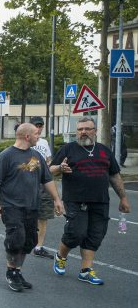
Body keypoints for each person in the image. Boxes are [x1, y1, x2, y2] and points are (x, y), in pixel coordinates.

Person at [50, 116, 130, 285]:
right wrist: (60, 168)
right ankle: (61, 256)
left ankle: (86, 270)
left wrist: (123, 198)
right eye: (80, 129)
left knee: (95, 235)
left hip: (100, 200)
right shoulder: (68, 149)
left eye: (87, 129)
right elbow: (51, 169)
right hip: (75, 200)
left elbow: (114, 175)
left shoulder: (104, 150)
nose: (83, 132)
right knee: (76, 233)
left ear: (95, 131)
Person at [0, 123, 63, 292]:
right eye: (36, 134)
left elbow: (47, 179)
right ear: (27, 136)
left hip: (32, 206)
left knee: (29, 241)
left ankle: (18, 271)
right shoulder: (6, 156)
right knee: (16, 240)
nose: (39, 136)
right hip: (11, 206)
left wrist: (57, 199)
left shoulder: (36, 156)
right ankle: (11, 272)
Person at [28, 116, 56, 258]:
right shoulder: (26, 141)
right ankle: (27, 241)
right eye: (36, 125)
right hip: (29, 183)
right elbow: (27, 165)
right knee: (29, 214)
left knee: (43, 216)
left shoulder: (44, 142)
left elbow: (48, 160)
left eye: (40, 125)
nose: (38, 128)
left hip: (43, 183)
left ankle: (39, 246)